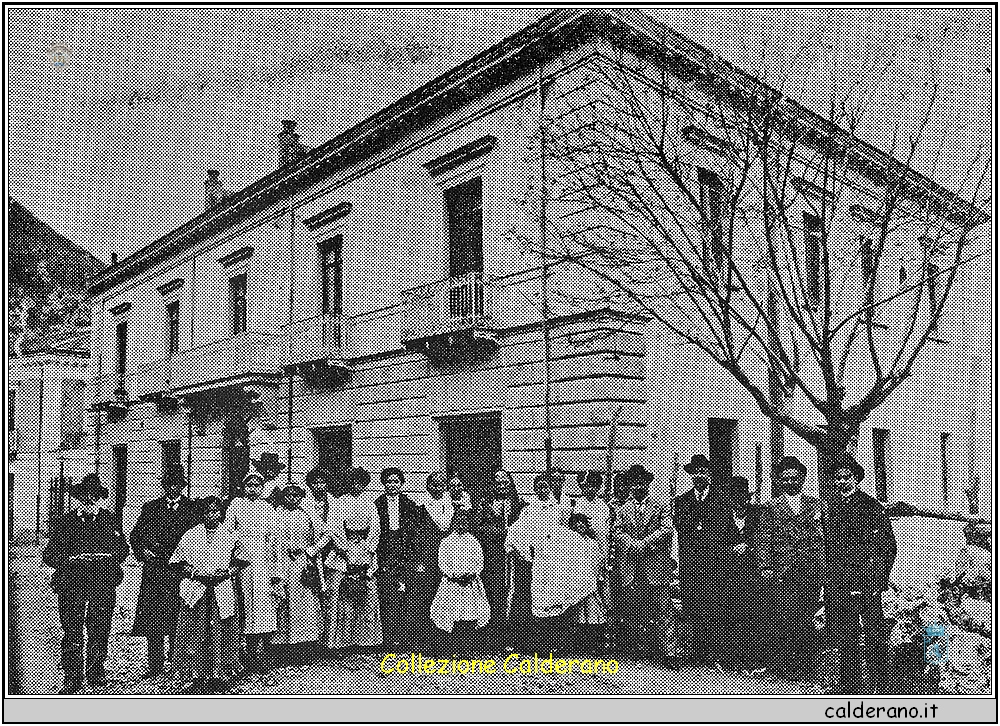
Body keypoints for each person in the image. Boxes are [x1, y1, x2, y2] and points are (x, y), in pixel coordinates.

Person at [43, 475, 130, 694]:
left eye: (93, 496)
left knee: (100, 629)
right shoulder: (65, 521)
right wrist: (71, 559)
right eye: (84, 496)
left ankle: (95, 671)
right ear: (77, 498)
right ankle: (72, 677)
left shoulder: (109, 520)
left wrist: (107, 557)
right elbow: (49, 555)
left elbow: (123, 550)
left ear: (100, 498)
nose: (89, 500)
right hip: (72, 584)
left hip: (103, 583)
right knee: (72, 631)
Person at [823, 457, 897, 694]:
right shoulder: (830, 508)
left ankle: (881, 684)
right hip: (840, 580)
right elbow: (826, 546)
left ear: (856, 478)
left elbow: (888, 547)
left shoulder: (871, 507)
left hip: (867, 580)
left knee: (874, 631)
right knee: (846, 635)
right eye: (838, 478)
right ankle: (850, 686)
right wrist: (830, 581)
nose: (843, 482)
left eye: (847, 477)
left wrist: (877, 580)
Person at [753, 456, 827, 680]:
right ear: (780, 481)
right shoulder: (771, 507)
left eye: (795, 479)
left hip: (809, 570)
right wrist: (765, 566)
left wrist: (823, 570)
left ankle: (806, 666)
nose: (791, 483)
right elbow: (763, 539)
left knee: (807, 615)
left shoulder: (815, 505)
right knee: (785, 617)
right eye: (786, 480)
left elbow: (822, 540)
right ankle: (785, 665)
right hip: (783, 571)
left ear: (803, 479)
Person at [169, 496, 249, 693]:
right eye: (207, 511)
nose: (211, 515)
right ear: (201, 513)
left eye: (215, 511)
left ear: (221, 513)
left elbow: (241, 560)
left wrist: (228, 571)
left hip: (220, 589)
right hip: (197, 589)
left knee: (221, 632)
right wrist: (193, 572)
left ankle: (219, 674)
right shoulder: (190, 535)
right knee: (195, 633)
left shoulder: (230, 534)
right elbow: (177, 562)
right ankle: (195, 675)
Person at [129, 465, 201, 679]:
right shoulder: (151, 508)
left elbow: (198, 538)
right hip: (155, 570)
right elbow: (135, 536)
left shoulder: (191, 509)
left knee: (178, 613)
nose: (173, 487)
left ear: (183, 486)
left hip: (179, 569)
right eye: (169, 483)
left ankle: (177, 660)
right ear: (163, 485)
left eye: (178, 484)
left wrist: (190, 561)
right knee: (154, 615)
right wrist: (142, 551)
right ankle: (155, 663)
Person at [614, 464, 679, 669]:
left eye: (642, 483)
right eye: (634, 484)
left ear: (648, 484)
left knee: (663, 609)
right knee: (637, 607)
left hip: (656, 566)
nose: (638, 487)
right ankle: (640, 647)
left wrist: (645, 543)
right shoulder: (623, 510)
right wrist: (632, 544)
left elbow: (667, 528)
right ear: (630, 486)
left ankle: (669, 651)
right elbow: (617, 532)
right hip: (633, 568)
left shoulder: (661, 506)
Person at [674, 454, 737, 666]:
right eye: (695, 472)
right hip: (692, 562)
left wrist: (706, 541)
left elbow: (724, 530)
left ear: (709, 474)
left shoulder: (721, 500)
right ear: (691, 475)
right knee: (693, 605)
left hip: (714, 562)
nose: (699, 476)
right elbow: (682, 530)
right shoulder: (682, 501)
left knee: (714, 604)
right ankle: (697, 651)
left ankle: (715, 652)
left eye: (703, 471)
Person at [505, 471, 566, 651]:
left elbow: (563, 535)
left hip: (551, 561)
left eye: (545, 486)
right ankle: (520, 641)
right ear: (534, 489)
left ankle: (548, 643)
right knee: (524, 596)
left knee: (548, 599)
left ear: (550, 487)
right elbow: (517, 532)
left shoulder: (558, 510)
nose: (542, 490)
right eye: (538, 487)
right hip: (530, 561)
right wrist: (521, 551)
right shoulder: (528, 510)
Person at [227, 473, 280, 673]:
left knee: (264, 606)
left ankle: (264, 654)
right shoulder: (236, 505)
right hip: (243, 562)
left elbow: (274, 539)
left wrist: (275, 567)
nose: (253, 489)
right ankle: (246, 653)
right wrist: (234, 557)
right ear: (243, 487)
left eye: (257, 485)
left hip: (263, 562)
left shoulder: (267, 508)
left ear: (262, 487)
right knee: (245, 605)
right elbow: (228, 533)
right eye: (249, 485)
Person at [325, 466, 379, 652]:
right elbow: (334, 528)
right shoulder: (339, 502)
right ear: (349, 483)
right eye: (354, 482)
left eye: (361, 483)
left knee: (366, 595)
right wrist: (346, 550)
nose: (358, 486)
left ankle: (364, 641)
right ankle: (338, 643)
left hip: (365, 550)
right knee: (340, 597)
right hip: (343, 552)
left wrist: (367, 551)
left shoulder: (369, 503)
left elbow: (376, 529)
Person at [271, 483, 325, 663]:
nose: (292, 498)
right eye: (288, 495)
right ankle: (283, 647)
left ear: (301, 496)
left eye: (296, 495)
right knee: (284, 602)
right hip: (283, 561)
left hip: (303, 562)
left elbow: (327, 534)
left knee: (306, 604)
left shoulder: (307, 513)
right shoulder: (277, 514)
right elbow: (272, 540)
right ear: (283, 497)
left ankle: (305, 647)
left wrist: (311, 550)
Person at [473, 469, 525, 649]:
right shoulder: (485, 503)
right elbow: (478, 528)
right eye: (498, 483)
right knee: (493, 593)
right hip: (492, 555)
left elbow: (525, 530)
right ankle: (492, 638)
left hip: (513, 556)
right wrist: (502, 533)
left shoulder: (519, 505)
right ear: (493, 485)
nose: (502, 486)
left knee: (513, 593)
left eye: (505, 482)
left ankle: (512, 637)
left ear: (510, 484)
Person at [430, 508, 491, 654]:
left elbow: (479, 562)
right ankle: (452, 648)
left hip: (470, 585)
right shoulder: (446, 542)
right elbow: (442, 563)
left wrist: (471, 574)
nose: (461, 525)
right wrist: (455, 575)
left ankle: (467, 648)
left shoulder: (474, 541)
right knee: (452, 614)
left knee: (469, 614)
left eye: (465, 522)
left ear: (469, 524)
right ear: (453, 523)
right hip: (452, 585)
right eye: (458, 522)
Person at [373, 467, 421, 648]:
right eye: (389, 481)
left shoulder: (409, 504)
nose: (392, 485)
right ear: (384, 483)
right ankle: (389, 637)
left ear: (401, 483)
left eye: (396, 481)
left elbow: (414, 533)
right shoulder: (377, 504)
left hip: (404, 551)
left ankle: (405, 637)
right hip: (386, 550)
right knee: (388, 594)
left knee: (407, 594)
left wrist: (413, 556)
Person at [331, 514, 382, 668]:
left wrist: (367, 574)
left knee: (366, 611)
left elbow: (374, 563)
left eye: (361, 533)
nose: (357, 536)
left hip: (364, 580)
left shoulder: (368, 546)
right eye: (353, 533)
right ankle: (343, 644)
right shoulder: (342, 547)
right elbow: (333, 562)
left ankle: (364, 643)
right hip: (348, 580)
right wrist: (347, 571)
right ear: (347, 532)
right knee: (346, 613)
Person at [409, 471, 452, 653]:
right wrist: (418, 560)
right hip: (427, 559)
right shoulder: (421, 508)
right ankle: (425, 642)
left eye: (441, 484)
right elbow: (415, 538)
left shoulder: (451, 506)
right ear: (428, 486)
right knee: (426, 598)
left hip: (446, 559)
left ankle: (443, 641)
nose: (438, 488)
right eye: (434, 484)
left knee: (445, 599)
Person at [726, 475, 764, 670]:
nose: (738, 500)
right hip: (730, 574)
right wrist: (731, 549)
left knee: (754, 614)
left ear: (747, 497)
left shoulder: (758, 514)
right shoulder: (722, 517)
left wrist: (749, 546)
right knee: (733, 614)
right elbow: (716, 543)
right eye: (734, 496)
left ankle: (754, 659)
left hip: (753, 572)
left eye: (741, 496)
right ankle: (734, 659)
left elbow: (765, 538)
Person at [301, 467, 338, 645]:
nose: (319, 486)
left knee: (331, 594)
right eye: (315, 482)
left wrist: (316, 548)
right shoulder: (304, 503)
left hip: (331, 553)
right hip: (309, 556)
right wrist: (311, 551)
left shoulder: (335, 503)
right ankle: (312, 639)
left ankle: (329, 640)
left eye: (322, 482)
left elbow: (334, 531)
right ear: (310, 485)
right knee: (312, 595)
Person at [566, 512, 608, 654]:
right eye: (576, 524)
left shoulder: (592, 543)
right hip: (575, 583)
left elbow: (598, 561)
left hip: (590, 582)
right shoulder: (569, 542)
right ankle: (578, 644)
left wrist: (596, 576)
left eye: (583, 523)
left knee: (593, 612)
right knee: (578, 614)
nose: (580, 526)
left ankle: (593, 645)